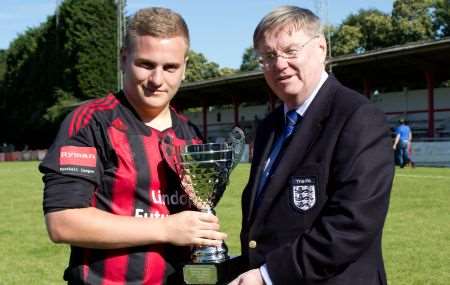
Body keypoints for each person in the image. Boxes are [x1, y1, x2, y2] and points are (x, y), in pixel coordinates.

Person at [39, 7, 226, 284]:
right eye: (146, 64)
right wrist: (166, 228)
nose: (157, 80)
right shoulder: (91, 122)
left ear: (185, 68)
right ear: (123, 59)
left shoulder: (191, 134)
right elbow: (63, 222)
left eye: (170, 67)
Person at [230, 6, 394, 285]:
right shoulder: (270, 126)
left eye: (291, 51)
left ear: (321, 48)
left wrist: (268, 276)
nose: (279, 64)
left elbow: (352, 224)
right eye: (268, 56)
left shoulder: (357, 117)